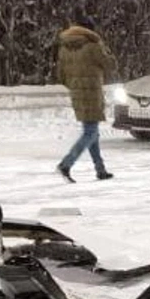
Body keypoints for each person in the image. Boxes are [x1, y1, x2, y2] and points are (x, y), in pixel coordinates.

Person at [55, 14, 117, 180]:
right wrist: (105, 48)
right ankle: (66, 164)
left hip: (77, 93)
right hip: (92, 92)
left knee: (92, 132)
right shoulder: (93, 45)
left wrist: (75, 86)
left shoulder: (64, 47)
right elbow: (110, 64)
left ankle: (100, 169)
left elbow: (60, 75)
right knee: (90, 133)